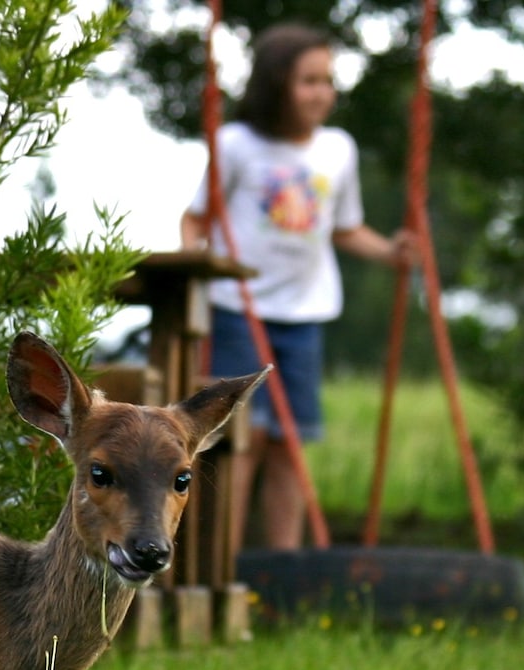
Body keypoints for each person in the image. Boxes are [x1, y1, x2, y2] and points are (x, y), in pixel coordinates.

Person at [180, 22, 417, 553]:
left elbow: (345, 227)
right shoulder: (237, 144)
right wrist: (200, 262)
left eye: (328, 81)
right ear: (275, 84)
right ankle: (227, 563)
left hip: (305, 312)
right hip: (239, 308)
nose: (322, 93)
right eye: (309, 81)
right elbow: (196, 220)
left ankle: (282, 570)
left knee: (291, 443)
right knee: (245, 440)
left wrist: (390, 252)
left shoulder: (337, 149)